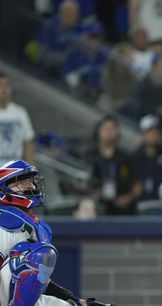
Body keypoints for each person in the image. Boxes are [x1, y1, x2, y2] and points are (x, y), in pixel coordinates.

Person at [0, 160, 114, 306]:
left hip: (15, 299)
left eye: (30, 180)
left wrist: (77, 301)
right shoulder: (4, 220)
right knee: (40, 254)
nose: (30, 185)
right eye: (20, 182)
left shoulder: (39, 226)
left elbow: (38, 281)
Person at [0, 72, 35, 165]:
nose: (4, 88)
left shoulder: (20, 113)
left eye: (7, 84)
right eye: (0, 85)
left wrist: (31, 174)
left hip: (14, 171)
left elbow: (28, 145)